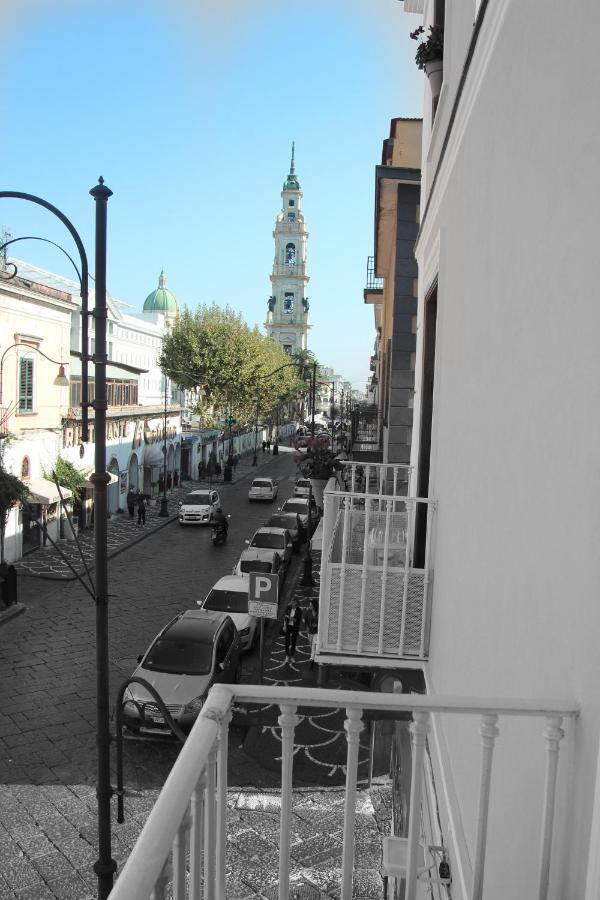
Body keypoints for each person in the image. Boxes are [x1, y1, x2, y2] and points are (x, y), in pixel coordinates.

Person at [282, 596, 303, 664]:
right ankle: (287, 655)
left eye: (293, 601)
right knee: (287, 642)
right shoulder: (288, 608)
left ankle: (292, 656)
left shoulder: (299, 610)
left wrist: (289, 617)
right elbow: (285, 617)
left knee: (293, 642)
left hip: (295, 627)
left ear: (296, 602)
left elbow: (297, 620)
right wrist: (284, 626)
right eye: (291, 601)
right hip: (288, 626)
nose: (291, 603)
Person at [305, 599, 319, 669]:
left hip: (317, 631)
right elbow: (305, 620)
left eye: (311, 605)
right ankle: (313, 655)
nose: (310, 606)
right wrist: (307, 628)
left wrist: (317, 625)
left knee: (313, 644)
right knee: (311, 644)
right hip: (310, 631)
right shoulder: (308, 612)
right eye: (309, 605)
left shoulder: (318, 612)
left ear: (314, 606)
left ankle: (311, 659)